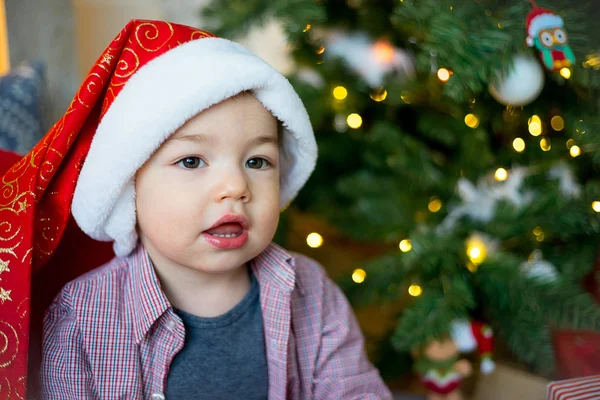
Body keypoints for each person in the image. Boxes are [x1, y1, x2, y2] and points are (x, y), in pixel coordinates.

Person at [30, 20, 392, 399]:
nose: (236, 187)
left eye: (257, 162)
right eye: (191, 161)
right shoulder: (84, 319)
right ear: (129, 185)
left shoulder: (311, 292)